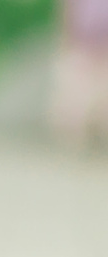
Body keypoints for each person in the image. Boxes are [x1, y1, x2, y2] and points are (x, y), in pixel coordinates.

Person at [58, 0, 108, 151]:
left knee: (103, 98)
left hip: (102, 44)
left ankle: (99, 136)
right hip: (82, 45)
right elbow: (67, 13)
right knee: (78, 98)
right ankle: (77, 139)